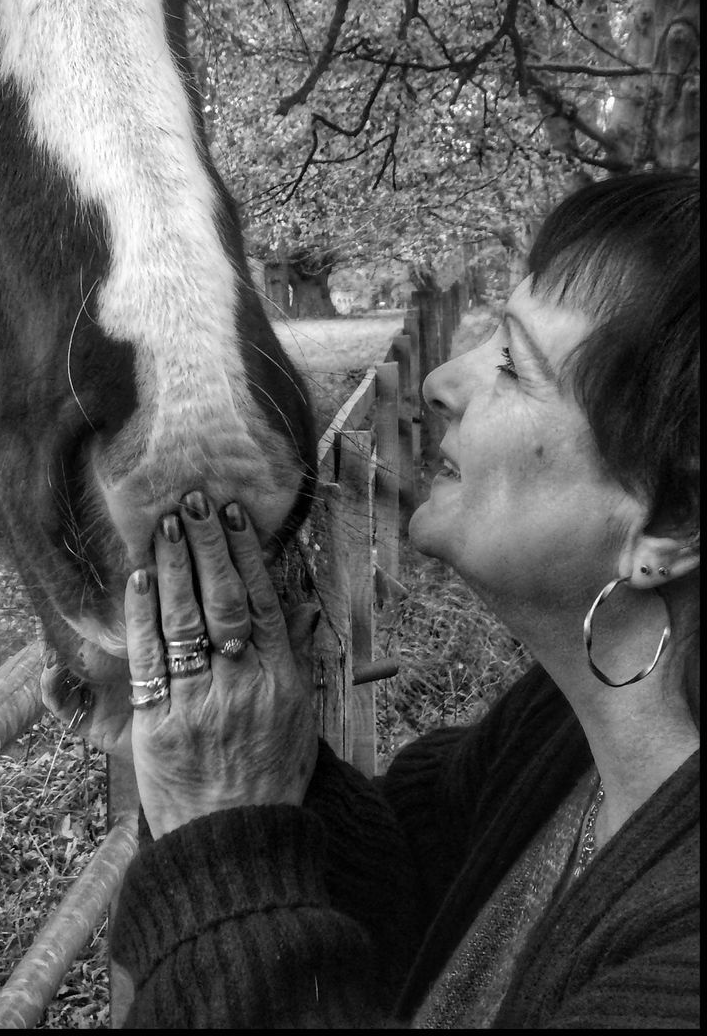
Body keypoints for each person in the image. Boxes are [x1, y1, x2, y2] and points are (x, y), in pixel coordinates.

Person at [55, 170, 700, 1027]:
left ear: (673, 521)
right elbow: (405, 890)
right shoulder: (558, 734)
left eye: (513, 364)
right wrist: (251, 738)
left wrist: (220, 832)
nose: (441, 380)